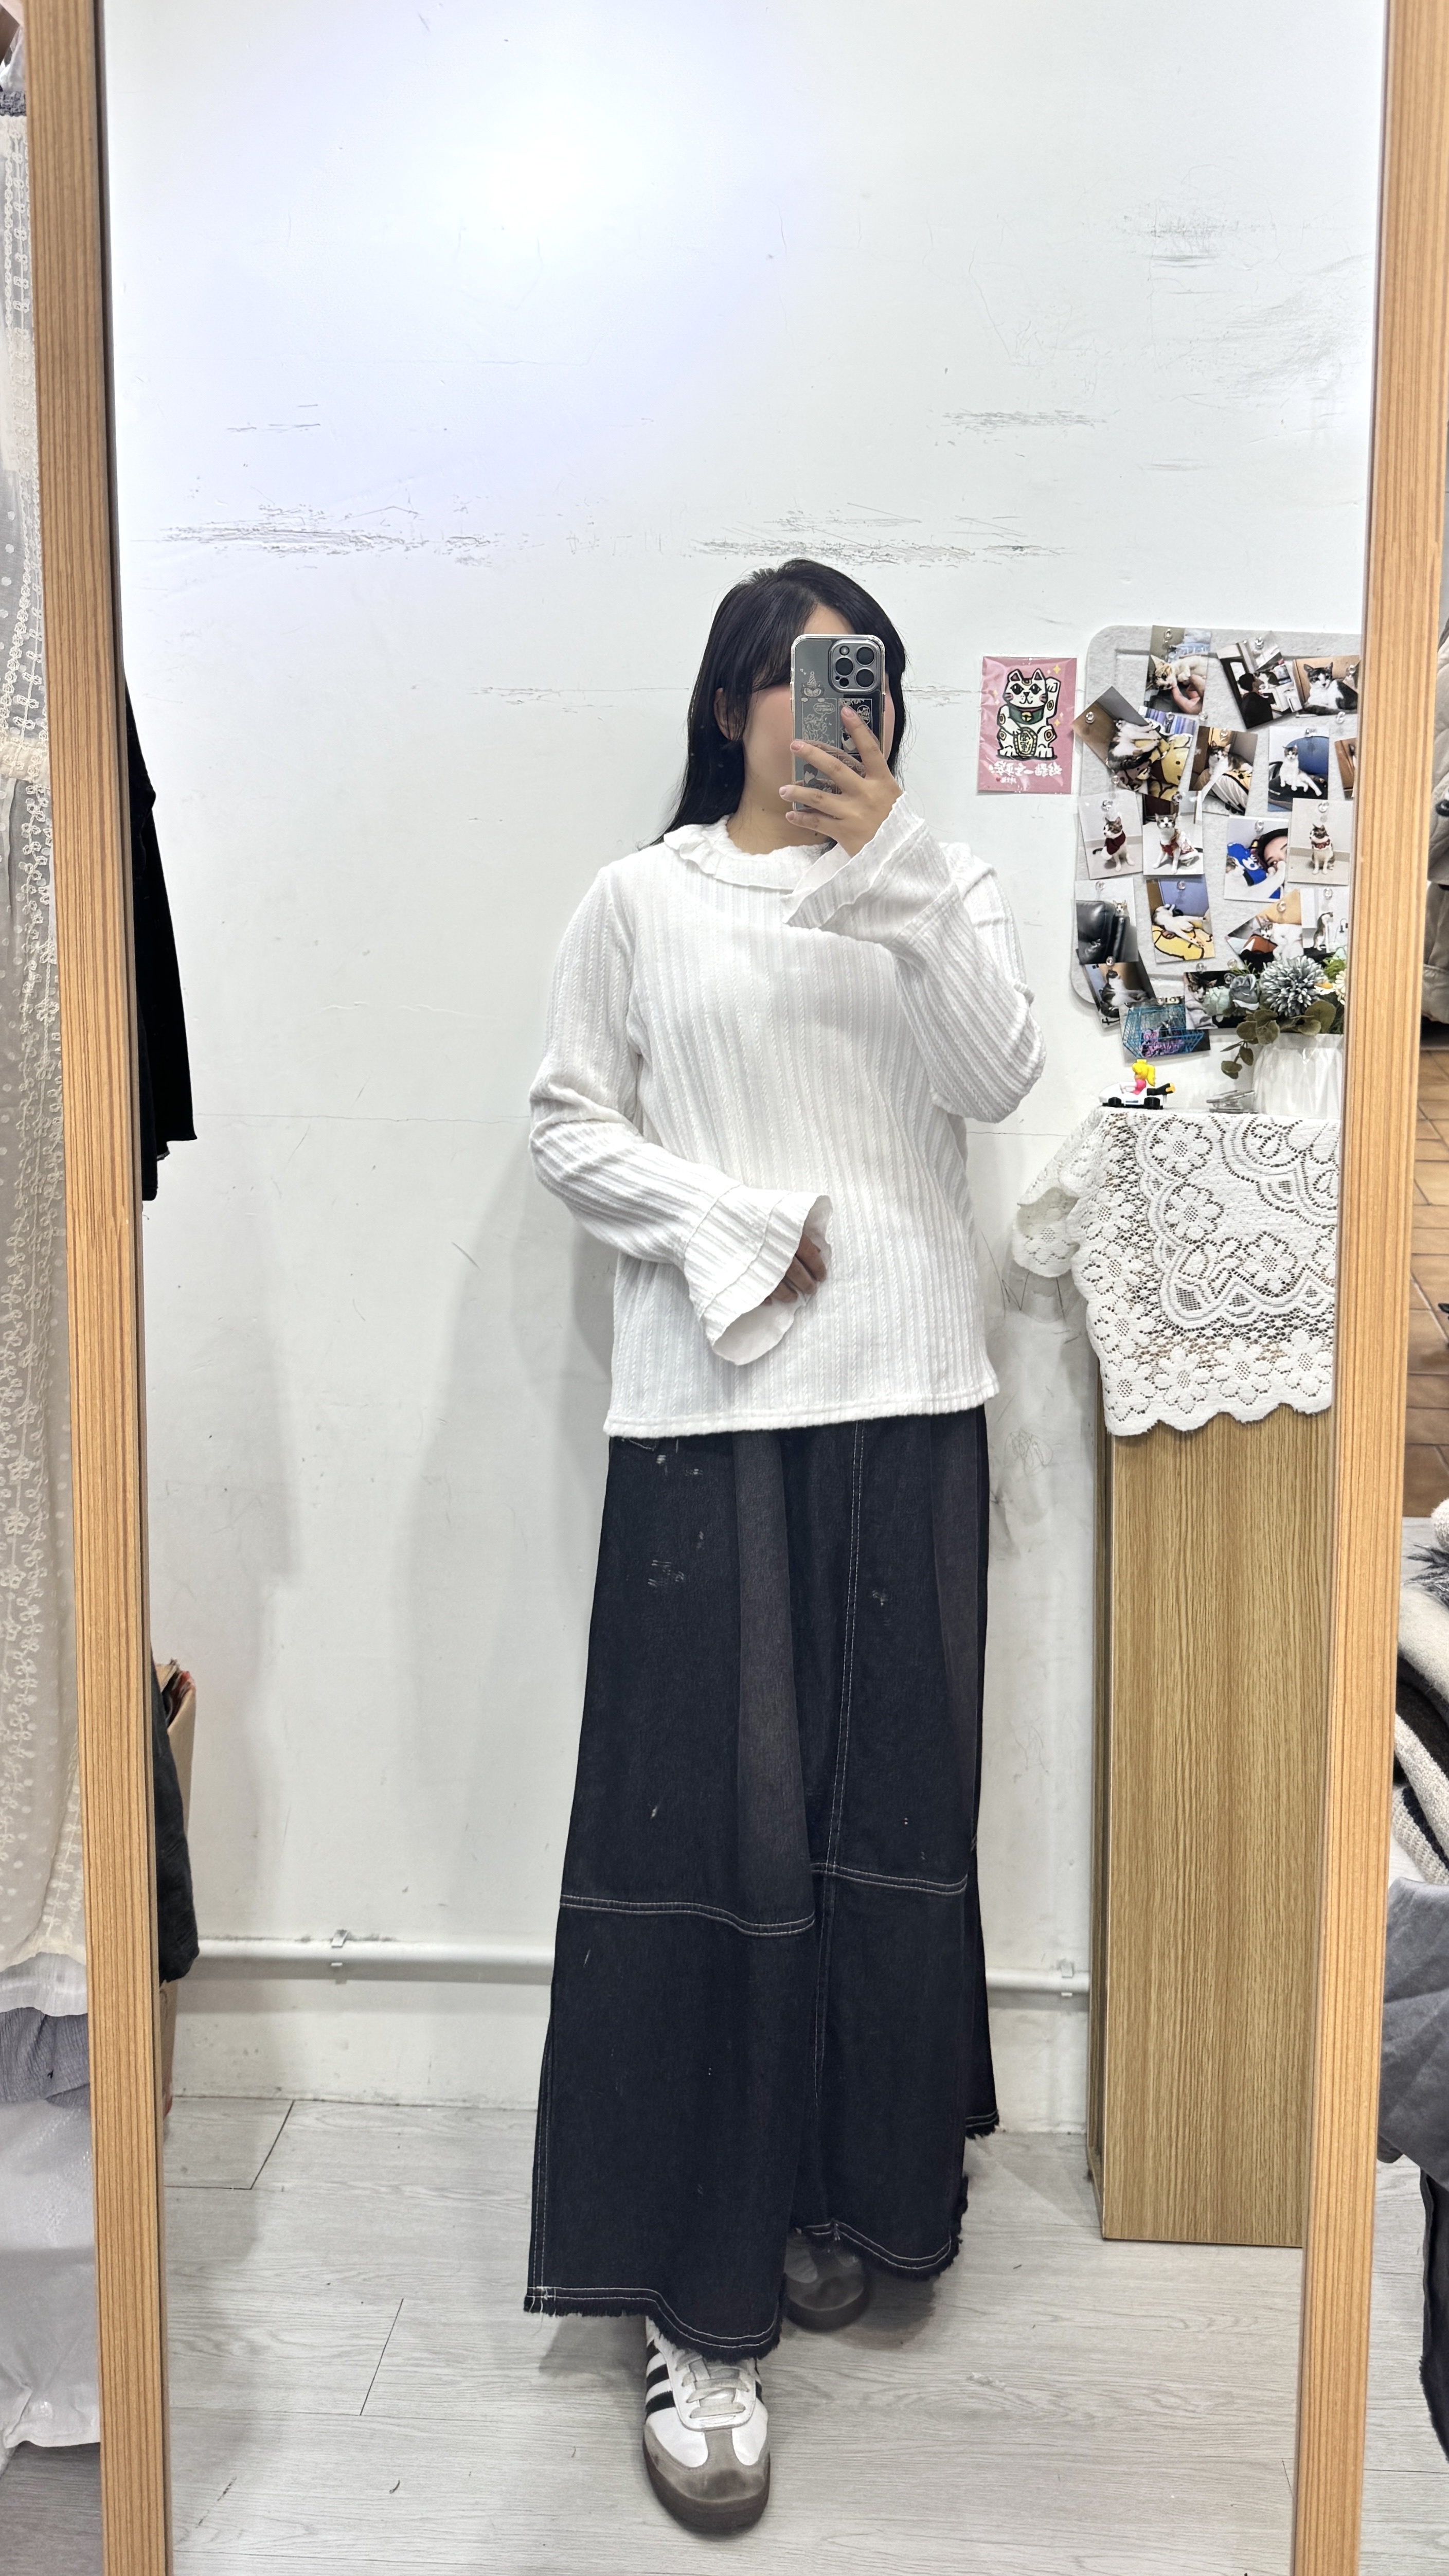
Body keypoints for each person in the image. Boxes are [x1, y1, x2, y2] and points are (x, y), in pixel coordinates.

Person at [524, 559, 1044, 2535]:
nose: (835, 716)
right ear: (732, 701)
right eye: (801, 681)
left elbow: (995, 1078)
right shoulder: (638, 899)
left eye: (865, 685)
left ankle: (839, 2184)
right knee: (714, 1849)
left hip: (910, 1398)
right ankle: (701, 2303)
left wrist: (897, 860)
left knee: (881, 1822)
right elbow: (568, 1124)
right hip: (712, 1409)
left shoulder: (937, 885)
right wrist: (739, 1229)